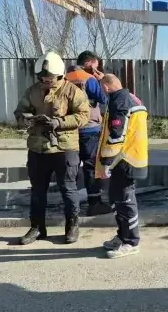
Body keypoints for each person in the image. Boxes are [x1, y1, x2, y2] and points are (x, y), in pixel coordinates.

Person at [13, 51, 90, 245]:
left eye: (50, 78)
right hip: (38, 148)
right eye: (43, 78)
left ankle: (72, 226)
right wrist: (25, 119)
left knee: (68, 189)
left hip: (64, 149)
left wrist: (59, 122)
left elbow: (83, 115)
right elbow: (20, 110)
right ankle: (37, 227)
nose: (46, 81)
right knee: (37, 191)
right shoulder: (32, 91)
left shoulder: (72, 91)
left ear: (60, 75)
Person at [95, 74, 148, 259]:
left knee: (125, 202)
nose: (103, 92)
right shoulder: (130, 96)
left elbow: (117, 135)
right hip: (129, 158)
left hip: (124, 159)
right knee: (119, 199)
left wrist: (105, 162)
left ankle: (131, 242)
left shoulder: (119, 101)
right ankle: (122, 236)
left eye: (102, 89)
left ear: (106, 88)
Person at [65, 51, 111, 216]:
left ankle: (71, 206)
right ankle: (94, 204)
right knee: (91, 167)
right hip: (89, 128)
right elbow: (105, 99)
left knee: (70, 167)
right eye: (96, 65)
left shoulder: (64, 77)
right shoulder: (88, 78)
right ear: (90, 63)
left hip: (68, 129)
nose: (97, 68)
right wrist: (102, 79)